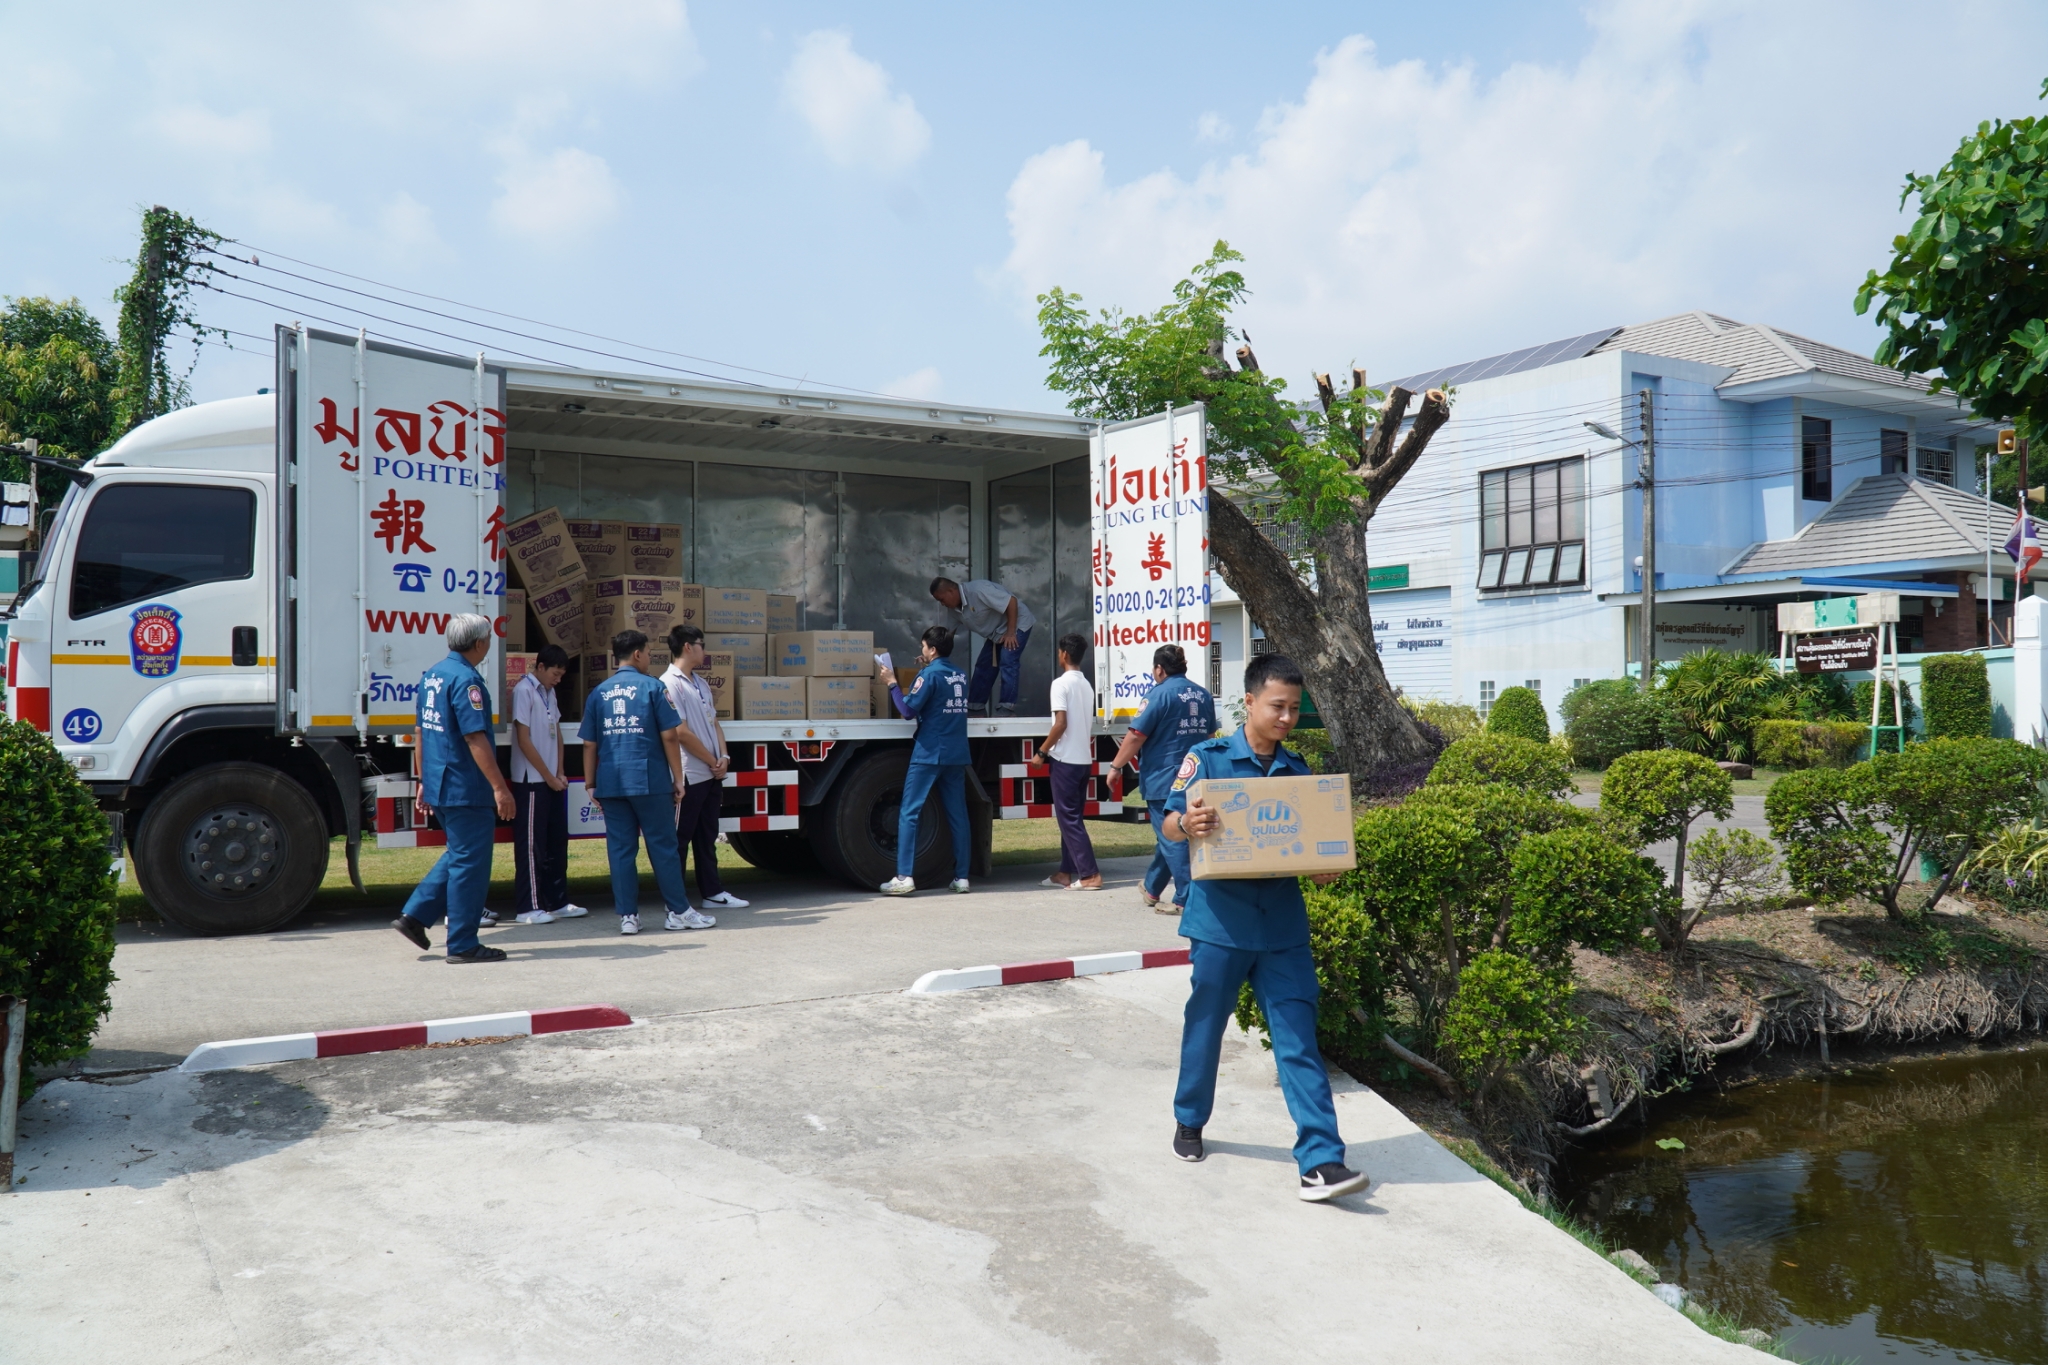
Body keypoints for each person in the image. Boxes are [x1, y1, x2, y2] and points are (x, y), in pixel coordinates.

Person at [1161, 652, 1370, 1203]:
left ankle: (1321, 1161)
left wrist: (1322, 868)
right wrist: (1187, 822)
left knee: (1299, 1039)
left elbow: (1308, 845)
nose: (1286, 718)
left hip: (1282, 928)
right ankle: (1189, 1119)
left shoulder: (1298, 774)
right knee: (1205, 1027)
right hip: (1219, 924)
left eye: (1294, 709)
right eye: (1278, 706)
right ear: (1249, 702)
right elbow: (1167, 821)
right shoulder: (1207, 759)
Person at [391, 614, 517, 964]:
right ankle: (462, 943)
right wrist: (500, 788)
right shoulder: (467, 680)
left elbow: (420, 732)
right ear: (479, 643)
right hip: (466, 785)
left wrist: (423, 780)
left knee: (461, 854)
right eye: (489, 638)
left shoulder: (433, 675)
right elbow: (475, 737)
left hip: (441, 781)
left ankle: (415, 916)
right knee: (470, 865)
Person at [579, 629, 712, 935]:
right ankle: (678, 912)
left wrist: (590, 783)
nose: (650, 659)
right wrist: (678, 778)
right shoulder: (653, 687)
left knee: (621, 851)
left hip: (611, 782)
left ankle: (628, 917)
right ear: (637, 654)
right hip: (649, 781)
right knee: (663, 847)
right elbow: (670, 736)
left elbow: (588, 744)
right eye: (649, 653)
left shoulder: (599, 693)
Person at [1108, 644, 1218, 915]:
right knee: (1170, 834)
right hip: (1196, 777)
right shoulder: (1203, 694)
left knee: (1173, 839)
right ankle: (1152, 887)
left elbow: (1136, 736)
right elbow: (1210, 737)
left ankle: (1185, 899)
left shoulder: (1158, 695)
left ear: (1159, 669)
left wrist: (1116, 766)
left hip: (1164, 779)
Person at [874, 625, 972, 895]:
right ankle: (962, 877)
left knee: (909, 812)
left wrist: (892, 683)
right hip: (956, 752)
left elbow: (907, 710)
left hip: (929, 752)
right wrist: (925, 669)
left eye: (924, 647)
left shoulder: (928, 675)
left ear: (933, 649)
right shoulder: (960, 675)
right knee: (958, 815)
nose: (922, 650)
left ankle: (904, 876)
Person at [663, 624, 750, 912]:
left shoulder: (700, 683)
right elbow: (680, 732)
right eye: (702, 644)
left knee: (707, 836)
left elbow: (714, 723)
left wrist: (723, 755)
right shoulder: (669, 683)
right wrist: (712, 761)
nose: (705, 651)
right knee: (679, 839)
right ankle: (676, 902)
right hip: (691, 774)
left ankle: (712, 893)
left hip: (711, 772)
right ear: (688, 647)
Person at [505, 644, 590, 927]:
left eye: (561, 675)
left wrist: (560, 771)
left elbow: (558, 735)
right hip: (532, 780)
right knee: (532, 846)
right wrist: (548, 776)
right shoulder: (524, 691)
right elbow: (524, 740)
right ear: (540, 667)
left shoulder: (549, 693)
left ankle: (557, 901)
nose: (558, 679)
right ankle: (528, 906)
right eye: (555, 673)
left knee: (556, 842)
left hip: (552, 780)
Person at [1034, 633, 1101, 890]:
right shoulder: (1086, 685)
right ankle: (1065, 872)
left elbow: (1060, 723)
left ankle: (1090, 875)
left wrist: (1042, 751)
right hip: (1083, 760)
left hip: (1065, 761)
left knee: (1069, 820)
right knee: (1071, 819)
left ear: (1064, 654)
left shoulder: (1060, 684)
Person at [928, 576, 1035, 716]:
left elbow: (1011, 601)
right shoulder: (954, 611)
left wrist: (1010, 632)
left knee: (1008, 659)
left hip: (1017, 624)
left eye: (942, 599)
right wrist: (931, 655)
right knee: (983, 666)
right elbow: (948, 637)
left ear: (951, 591)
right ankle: (975, 708)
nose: (942, 604)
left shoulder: (978, 591)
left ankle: (1006, 708)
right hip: (996, 633)